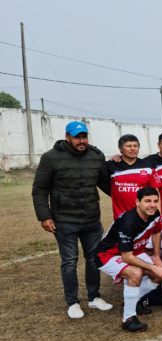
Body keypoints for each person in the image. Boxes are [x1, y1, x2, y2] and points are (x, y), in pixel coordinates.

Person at [32, 120, 113, 319]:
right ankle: (73, 302)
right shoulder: (51, 158)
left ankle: (94, 297)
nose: (81, 140)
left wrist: (130, 198)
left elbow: (107, 184)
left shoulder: (96, 156)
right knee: (69, 261)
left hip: (91, 218)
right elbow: (40, 189)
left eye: (84, 136)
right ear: (67, 137)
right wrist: (44, 216)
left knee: (94, 259)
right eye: (77, 137)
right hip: (64, 220)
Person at [96, 187, 162, 332]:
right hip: (108, 255)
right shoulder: (128, 222)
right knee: (135, 273)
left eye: (155, 201)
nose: (152, 205)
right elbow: (127, 257)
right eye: (147, 201)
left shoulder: (155, 214)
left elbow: (156, 231)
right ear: (137, 202)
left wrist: (156, 256)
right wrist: (153, 266)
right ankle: (128, 318)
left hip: (133, 250)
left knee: (160, 275)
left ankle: (132, 301)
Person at [106, 134, 155, 219]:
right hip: (121, 219)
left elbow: (155, 192)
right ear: (121, 149)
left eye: (135, 146)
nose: (133, 149)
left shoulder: (147, 166)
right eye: (129, 146)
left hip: (144, 217)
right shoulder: (111, 165)